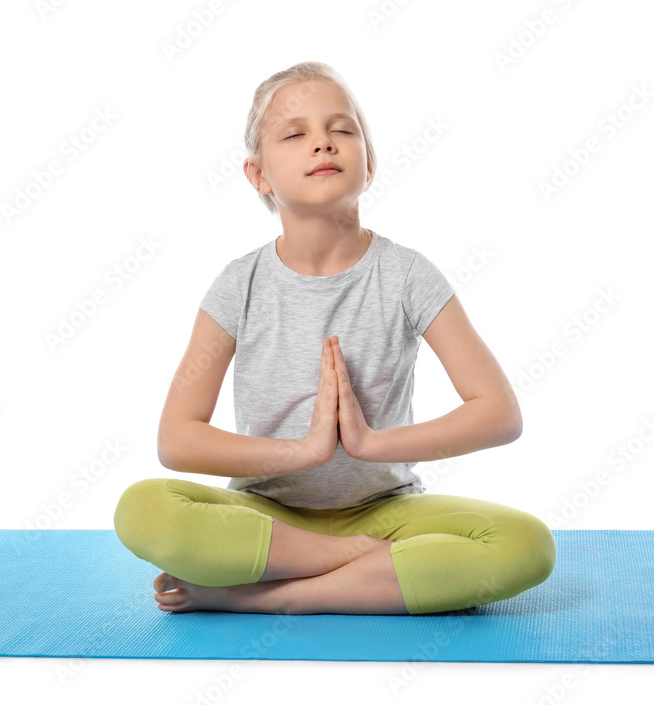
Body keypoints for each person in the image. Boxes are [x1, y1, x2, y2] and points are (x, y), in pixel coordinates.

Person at [113, 61, 555, 616]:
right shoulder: (239, 285)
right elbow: (177, 440)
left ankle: (270, 597)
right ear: (259, 176)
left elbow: (498, 414)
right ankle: (355, 565)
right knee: (143, 508)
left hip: (387, 512)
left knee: (527, 546)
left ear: (368, 163)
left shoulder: (408, 276)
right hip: (268, 518)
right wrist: (303, 451)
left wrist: (371, 444)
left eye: (341, 130)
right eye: (295, 134)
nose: (323, 143)